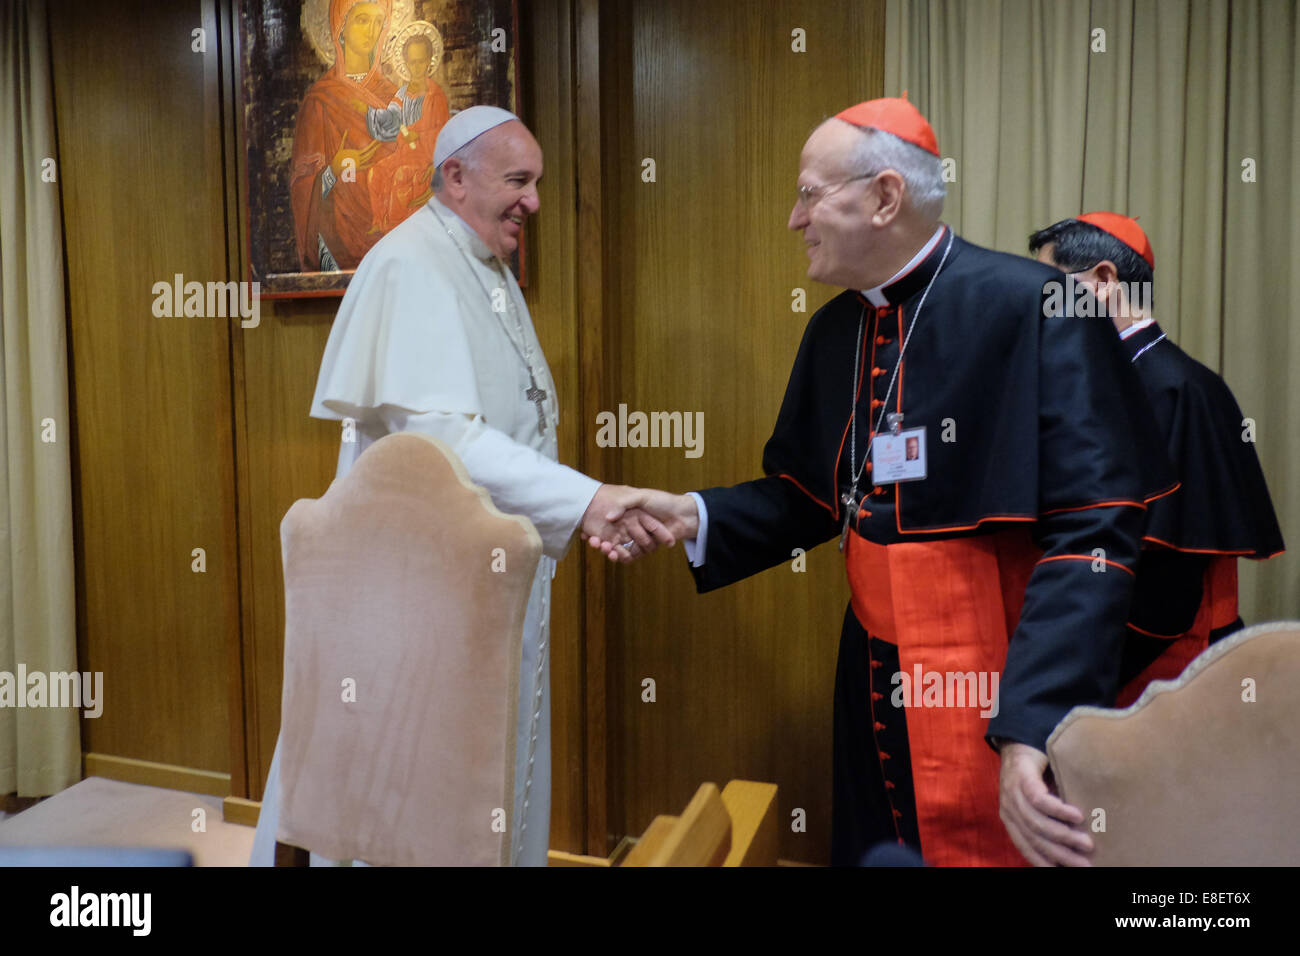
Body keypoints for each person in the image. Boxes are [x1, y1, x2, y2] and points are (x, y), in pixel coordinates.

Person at [595, 97, 1177, 867]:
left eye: (808, 193)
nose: (794, 220)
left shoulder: (1039, 305)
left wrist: (1036, 720)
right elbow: (807, 494)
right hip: (872, 673)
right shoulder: (835, 328)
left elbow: (1095, 530)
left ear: (884, 198)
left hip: (999, 675)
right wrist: (690, 513)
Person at [252, 105, 677, 867]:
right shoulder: (410, 264)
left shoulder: (478, 263)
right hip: (413, 599)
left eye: (537, 183)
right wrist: (588, 500)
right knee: (402, 777)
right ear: (456, 177)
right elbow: (441, 444)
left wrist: (583, 502)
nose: (534, 202)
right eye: (519, 180)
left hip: (472, 580)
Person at [1029, 213, 1284, 704]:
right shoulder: (1113, 376)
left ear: (1103, 281)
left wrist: (1073, 684)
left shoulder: (1178, 389)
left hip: (1169, 673)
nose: (1043, 306)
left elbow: (1170, 585)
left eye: (1050, 288)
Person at [289, 0, 398, 271]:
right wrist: (333, 170)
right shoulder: (320, 100)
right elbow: (303, 185)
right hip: (336, 236)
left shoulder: (394, 97)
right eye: (362, 20)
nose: (371, 31)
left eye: (378, 22)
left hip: (391, 239)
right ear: (341, 27)